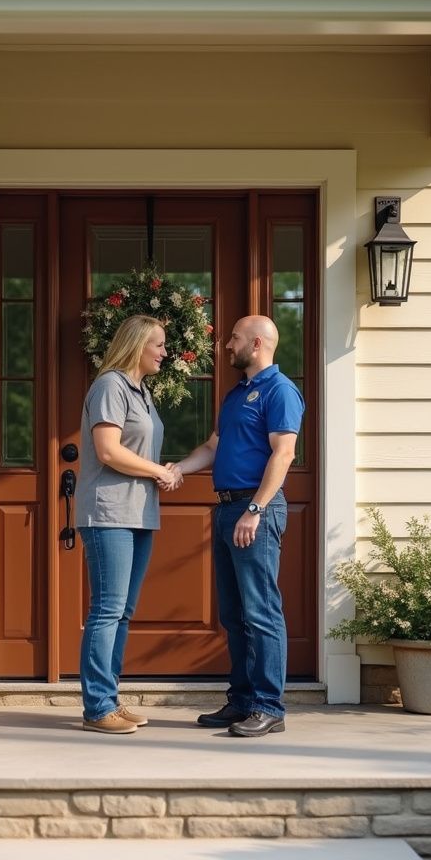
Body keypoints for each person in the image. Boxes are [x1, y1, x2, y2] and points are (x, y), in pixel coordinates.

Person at [169, 315, 305, 737]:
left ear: (258, 343)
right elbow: (214, 446)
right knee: (234, 614)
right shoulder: (236, 394)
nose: (227, 345)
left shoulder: (280, 391)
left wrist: (256, 510)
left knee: (262, 612)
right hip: (227, 509)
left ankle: (269, 707)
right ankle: (243, 701)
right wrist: (176, 470)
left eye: (234, 338)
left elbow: (282, 455)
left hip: (253, 510)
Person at [75, 314, 181, 735]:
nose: (165, 352)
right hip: (108, 514)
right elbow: (108, 451)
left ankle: (110, 700)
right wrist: (159, 471)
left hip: (138, 514)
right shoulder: (109, 386)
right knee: (107, 610)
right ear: (138, 345)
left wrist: (164, 471)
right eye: (159, 344)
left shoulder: (142, 392)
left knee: (123, 613)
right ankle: (97, 707)